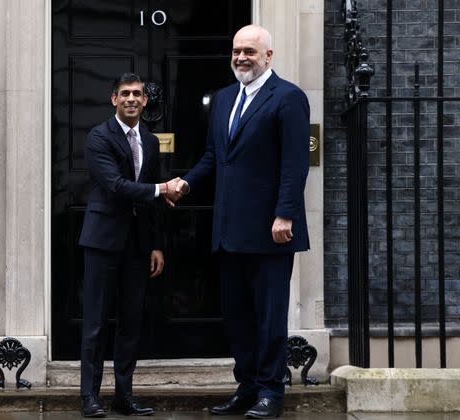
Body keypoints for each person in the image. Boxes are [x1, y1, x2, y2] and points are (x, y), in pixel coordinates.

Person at [170, 25, 310, 418]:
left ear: (268, 56)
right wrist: (186, 182)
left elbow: (295, 164)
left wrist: (285, 214)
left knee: (268, 316)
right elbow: (215, 157)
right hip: (228, 229)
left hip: (270, 231)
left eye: (249, 51)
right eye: (236, 51)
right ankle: (247, 388)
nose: (241, 58)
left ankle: (271, 392)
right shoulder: (225, 99)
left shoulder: (288, 98)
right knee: (237, 317)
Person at [78, 73, 180, 417]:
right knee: (94, 323)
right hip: (103, 241)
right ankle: (89, 397)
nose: (132, 99)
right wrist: (162, 189)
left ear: (145, 101)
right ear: (114, 100)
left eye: (137, 94)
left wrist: (156, 245)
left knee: (130, 323)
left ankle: (124, 396)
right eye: (125, 94)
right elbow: (116, 186)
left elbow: (149, 200)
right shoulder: (98, 137)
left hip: (137, 246)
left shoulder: (149, 142)